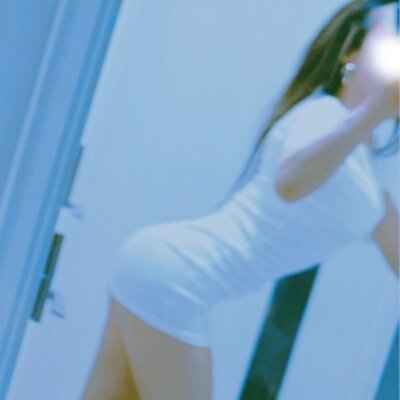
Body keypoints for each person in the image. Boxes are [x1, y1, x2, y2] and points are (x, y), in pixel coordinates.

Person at [82, 1, 399, 399]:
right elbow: (290, 182)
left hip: (160, 268)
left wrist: (373, 117)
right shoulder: (323, 116)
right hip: (177, 280)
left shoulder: (366, 170)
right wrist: (372, 112)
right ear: (348, 52)